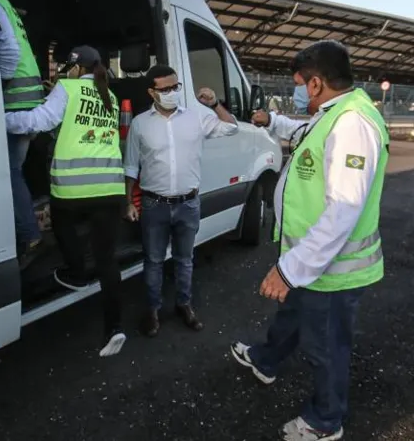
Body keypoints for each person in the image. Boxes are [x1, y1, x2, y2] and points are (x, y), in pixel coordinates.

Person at [230, 40, 389, 441]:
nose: (298, 90)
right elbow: (303, 131)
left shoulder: (353, 125)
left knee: (327, 348)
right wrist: (271, 120)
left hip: (333, 270)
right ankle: (265, 361)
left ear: (316, 83)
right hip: (312, 261)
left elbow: (343, 210)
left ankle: (325, 422)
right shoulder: (334, 114)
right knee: (293, 316)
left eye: (300, 84)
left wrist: (289, 271)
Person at [5, 45, 126, 358]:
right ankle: (115, 328)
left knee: (61, 224)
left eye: (67, 67)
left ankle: (75, 273)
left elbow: (40, 121)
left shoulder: (68, 88)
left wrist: (1, 119)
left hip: (73, 190)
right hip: (110, 188)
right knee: (107, 258)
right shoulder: (108, 97)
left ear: (76, 67)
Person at [124, 65, 239, 337]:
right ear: (151, 92)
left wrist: (216, 104)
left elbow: (232, 128)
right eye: (164, 89)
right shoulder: (141, 124)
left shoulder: (197, 118)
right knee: (153, 260)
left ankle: (184, 304)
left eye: (175, 87)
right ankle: (153, 310)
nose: (172, 93)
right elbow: (131, 166)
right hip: (154, 205)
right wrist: (127, 201)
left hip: (188, 204)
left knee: (185, 259)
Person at [0, 0, 44, 265]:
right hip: (26, 103)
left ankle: (29, 234)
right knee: (13, 172)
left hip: (17, 103)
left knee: (9, 173)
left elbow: (9, 52)